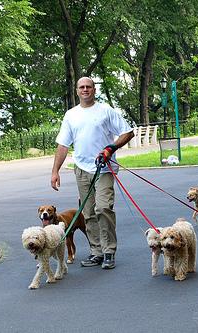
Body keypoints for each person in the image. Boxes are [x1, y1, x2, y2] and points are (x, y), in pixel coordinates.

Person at [51, 77, 134, 269]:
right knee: (88, 213)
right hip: (81, 169)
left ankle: (108, 252)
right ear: (77, 90)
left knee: (103, 208)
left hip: (104, 167)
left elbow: (128, 132)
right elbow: (63, 144)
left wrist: (111, 148)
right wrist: (55, 171)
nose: (85, 89)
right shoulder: (71, 115)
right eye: (82, 87)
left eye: (89, 86)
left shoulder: (105, 110)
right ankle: (96, 252)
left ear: (94, 90)